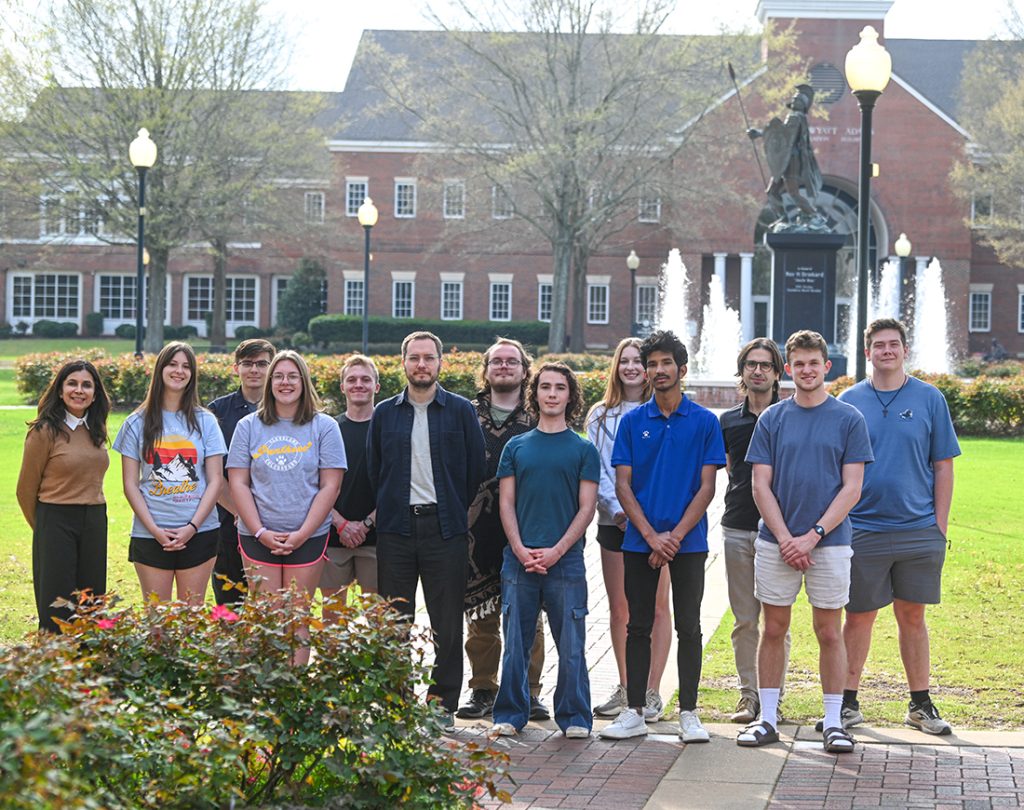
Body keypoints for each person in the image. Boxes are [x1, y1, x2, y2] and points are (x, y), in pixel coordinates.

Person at [737, 330, 872, 754]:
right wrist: (785, 539)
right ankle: (768, 719)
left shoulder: (849, 419)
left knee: (829, 631)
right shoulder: (772, 419)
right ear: (788, 369)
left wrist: (812, 536)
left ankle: (834, 722)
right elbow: (761, 486)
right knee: (773, 627)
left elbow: (852, 488)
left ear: (826, 367)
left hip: (829, 544)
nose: (807, 370)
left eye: (814, 363)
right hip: (776, 542)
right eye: (799, 364)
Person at [835, 318, 961, 735]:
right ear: (867, 351)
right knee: (858, 617)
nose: (886, 351)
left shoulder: (929, 398)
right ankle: (848, 703)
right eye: (878, 345)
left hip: (918, 529)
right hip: (863, 529)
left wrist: (938, 528)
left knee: (913, 617)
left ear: (905, 350)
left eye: (894, 344)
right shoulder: (849, 401)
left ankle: (920, 705)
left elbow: (943, 465)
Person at [601, 330, 725, 743]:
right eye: (651, 364)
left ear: (682, 369)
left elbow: (707, 488)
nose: (656, 371)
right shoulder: (633, 421)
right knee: (638, 625)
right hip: (640, 541)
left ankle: (689, 712)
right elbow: (623, 486)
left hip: (689, 542)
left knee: (689, 626)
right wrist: (653, 537)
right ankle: (634, 709)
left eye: (664, 363)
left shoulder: (705, 421)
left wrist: (673, 537)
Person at [367, 331, 486, 729]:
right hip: (396, 531)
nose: (421, 364)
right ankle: (396, 703)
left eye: (428, 358)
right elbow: (374, 470)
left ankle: (441, 705)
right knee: (395, 622)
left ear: (439, 363)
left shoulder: (460, 411)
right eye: (414, 358)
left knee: (446, 623)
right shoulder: (385, 413)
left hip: (445, 529)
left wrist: (450, 507)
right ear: (402, 363)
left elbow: (474, 471)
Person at [490, 362, 599, 739]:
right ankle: (510, 713)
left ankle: (574, 717)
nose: (552, 394)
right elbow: (506, 503)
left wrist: (556, 550)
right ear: (534, 394)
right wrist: (520, 549)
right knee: (515, 645)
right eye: (545, 387)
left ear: (571, 396)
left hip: (565, 562)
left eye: (560, 388)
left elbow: (587, 508)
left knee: (571, 645)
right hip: (519, 561)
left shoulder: (583, 448)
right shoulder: (516, 447)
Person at [227, 350, 345, 664]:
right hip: (257, 535)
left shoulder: (325, 427)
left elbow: (330, 485)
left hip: (307, 536)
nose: (285, 382)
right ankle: (268, 696)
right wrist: (259, 530)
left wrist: (304, 533)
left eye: (293, 376)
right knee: (267, 616)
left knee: (298, 616)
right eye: (278, 376)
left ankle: (293, 698)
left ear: (304, 382)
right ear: (269, 383)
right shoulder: (248, 426)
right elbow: (238, 482)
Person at [458, 339, 549, 722]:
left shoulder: (539, 415)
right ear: (486, 368)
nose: (504, 367)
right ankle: (483, 689)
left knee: (529, 616)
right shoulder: (466, 414)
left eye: (512, 361)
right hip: (474, 533)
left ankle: (528, 692)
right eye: (497, 361)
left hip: (527, 530)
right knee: (480, 619)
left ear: (525, 370)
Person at [585, 337, 671, 723]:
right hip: (615, 523)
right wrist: (619, 510)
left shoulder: (665, 413)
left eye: (640, 361)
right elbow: (600, 470)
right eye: (626, 361)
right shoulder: (600, 416)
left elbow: (667, 472)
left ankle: (651, 691)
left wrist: (649, 519)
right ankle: (626, 687)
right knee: (620, 609)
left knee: (655, 608)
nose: (633, 368)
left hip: (658, 528)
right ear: (616, 367)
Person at [113, 342, 226, 604]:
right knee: (157, 621)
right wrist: (154, 529)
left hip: (200, 532)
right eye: (173, 364)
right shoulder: (136, 423)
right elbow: (130, 484)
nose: (179, 371)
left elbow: (216, 480)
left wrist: (192, 527)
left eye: (186, 366)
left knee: (191, 617)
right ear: (160, 369)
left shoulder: (206, 421)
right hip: (150, 534)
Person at [718, 338, 791, 724]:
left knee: (777, 621)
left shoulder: (791, 417)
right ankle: (749, 696)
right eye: (751, 364)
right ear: (742, 371)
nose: (758, 371)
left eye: (765, 365)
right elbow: (731, 470)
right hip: (737, 529)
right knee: (745, 620)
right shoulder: (727, 421)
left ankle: (773, 697)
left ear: (778, 373)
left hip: (779, 534)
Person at [17, 359, 111, 632]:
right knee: (56, 603)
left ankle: (88, 664)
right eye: (72, 383)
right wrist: (45, 528)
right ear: (60, 390)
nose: (79, 390)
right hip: (55, 518)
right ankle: (54, 666)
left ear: (95, 394)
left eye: (86, 385)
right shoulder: (44, 431)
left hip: (94, 518)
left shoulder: (96, 430)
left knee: (91, 600)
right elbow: (25, 490)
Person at [207, 338, 276, 605]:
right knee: (230, 600)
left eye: (262, 364)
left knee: (272, 601)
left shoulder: (288, 408)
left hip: (277, 522)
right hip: (228, 522)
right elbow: (212, 471)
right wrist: (242, 513)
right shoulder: (217, 412)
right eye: (247, 364)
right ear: (236, 368)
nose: (255, 370)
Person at [319, 355, 379, 620]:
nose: (359, 385)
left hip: (378, 537)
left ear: (377, 386)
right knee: (333, 620)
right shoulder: (328, 429)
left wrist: (366, 523)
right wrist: (341, 523)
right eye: (351, 379)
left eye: (366, 379)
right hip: (332, 536)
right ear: (342, 386)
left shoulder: (387, 427)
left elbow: (397, 485)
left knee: (378, 619)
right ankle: (332, 665)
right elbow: (314, 484)